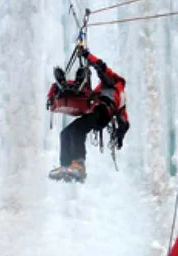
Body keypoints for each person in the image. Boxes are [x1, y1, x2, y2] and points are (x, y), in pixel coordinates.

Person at [48, 48, 130, 182]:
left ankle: (79, 165)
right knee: (66, 132)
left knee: (77, 130)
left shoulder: (113, 81)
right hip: (99, 114)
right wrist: (119, 138)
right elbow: (124, 122)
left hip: (101, 111)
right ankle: (66, 166)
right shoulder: (120, 97)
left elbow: (101, 67)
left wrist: (86, 55)